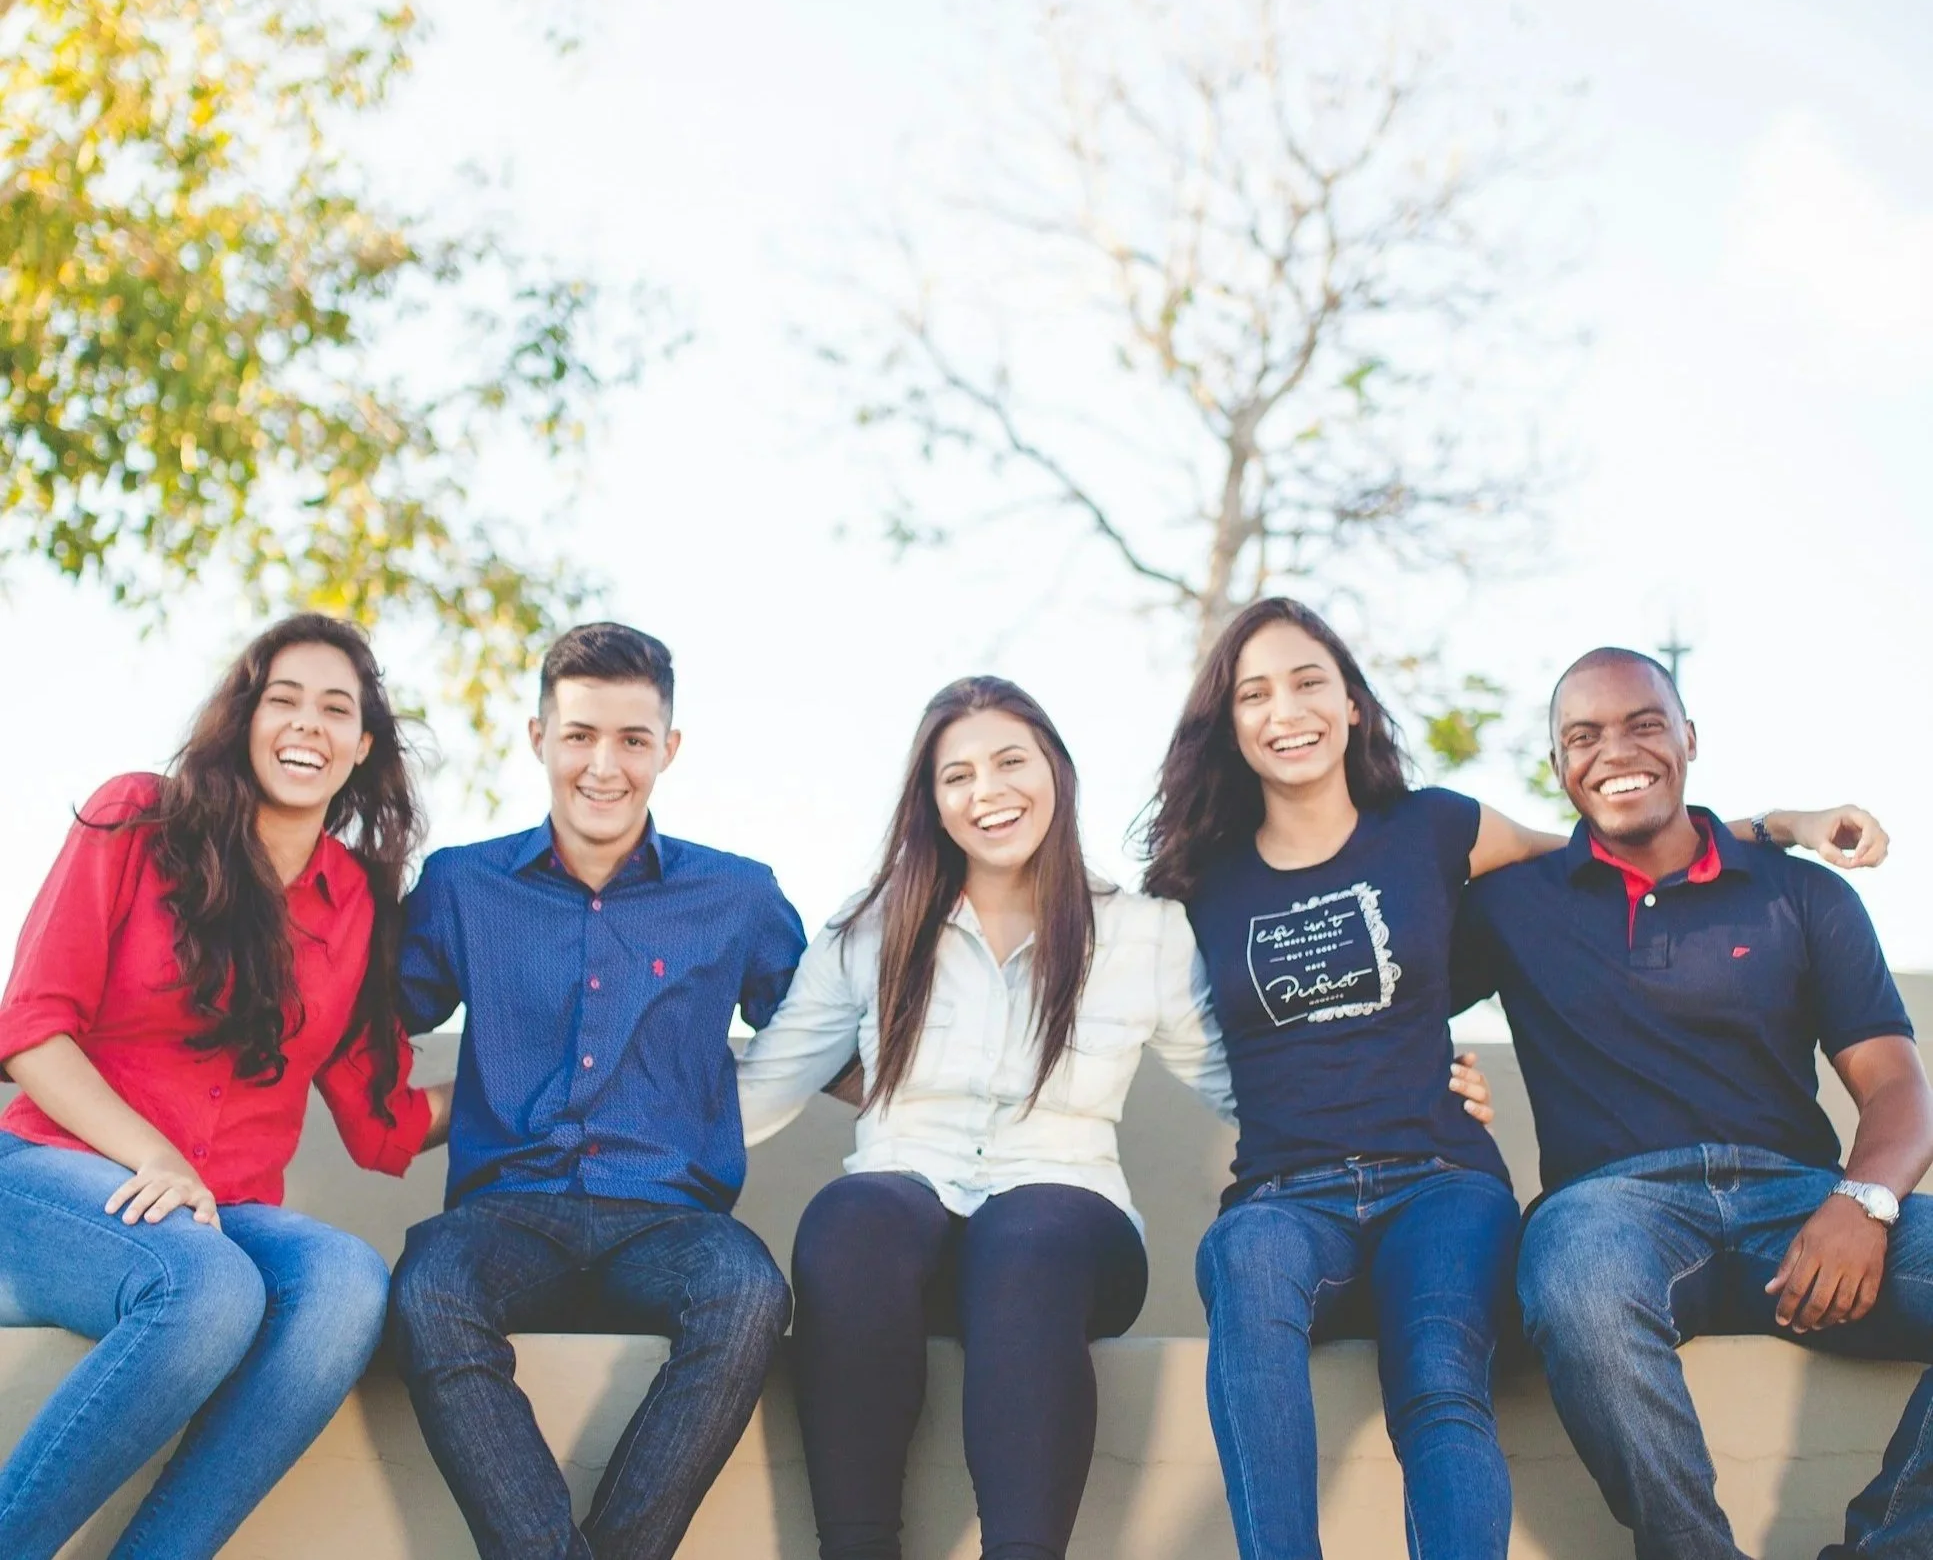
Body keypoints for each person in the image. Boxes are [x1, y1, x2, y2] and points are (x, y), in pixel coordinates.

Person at [1141, 597, 1878, 1560]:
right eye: (1255, 691)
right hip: (1284, 1190)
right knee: (1246, 1268)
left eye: (1309, 680)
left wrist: (1780, 822)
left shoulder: (1437, 827)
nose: (1287, 708)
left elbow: (1615, 846)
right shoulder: (1202, 881)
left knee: (1441, 1373)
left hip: (1438, 1178)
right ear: (1229, 722)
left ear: (1353, 704)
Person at [734, 674, 1492, 1560]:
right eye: (958, 775)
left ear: (1055, 770)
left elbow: (1251, 1079)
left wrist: (1411, 1081)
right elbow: (766, 1084)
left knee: (1028, 1231)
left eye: (1011, 761)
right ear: (931, 801)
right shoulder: (868, 933)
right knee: (850, 1213)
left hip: (1067, 1230)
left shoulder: (1141, 933)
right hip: (903, 1227)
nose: (989, 792)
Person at [1457, 646, 1929, 1560]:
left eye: (1642, 723)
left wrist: (1861, 1201)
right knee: (1576, 1282)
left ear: (1688, 738)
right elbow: (1375, 992)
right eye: (1582, 736)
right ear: (1558, 767)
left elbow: (1898, 1084)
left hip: (1797, 1204)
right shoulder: (1510, 904)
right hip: (1612, 1211)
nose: (1614, 750)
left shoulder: (1802, 894)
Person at [0, 613, 450, 1560]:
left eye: (336, 709)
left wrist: (542, 1084)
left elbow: (384, 1122)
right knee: (205, 1289)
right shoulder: (137, 819)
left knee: (345, 1284)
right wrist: (153, 1154)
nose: (306, 724)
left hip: (219, 1210)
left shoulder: (359, 900)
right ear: (245, 719)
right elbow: (31, 1029)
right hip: (51, 1170)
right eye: (283, 699)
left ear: (361, 746)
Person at [386, 622, 806, 1560]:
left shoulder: (737, 895)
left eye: (631, 738)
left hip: (668, 1220)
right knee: (426, 1286)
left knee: (746, 1293)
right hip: (506, 1213)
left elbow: (828, 1035)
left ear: (669, 748)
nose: (602, 764)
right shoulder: (462, 883)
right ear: (538, 737)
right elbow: (361, 1022)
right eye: (578, 734)